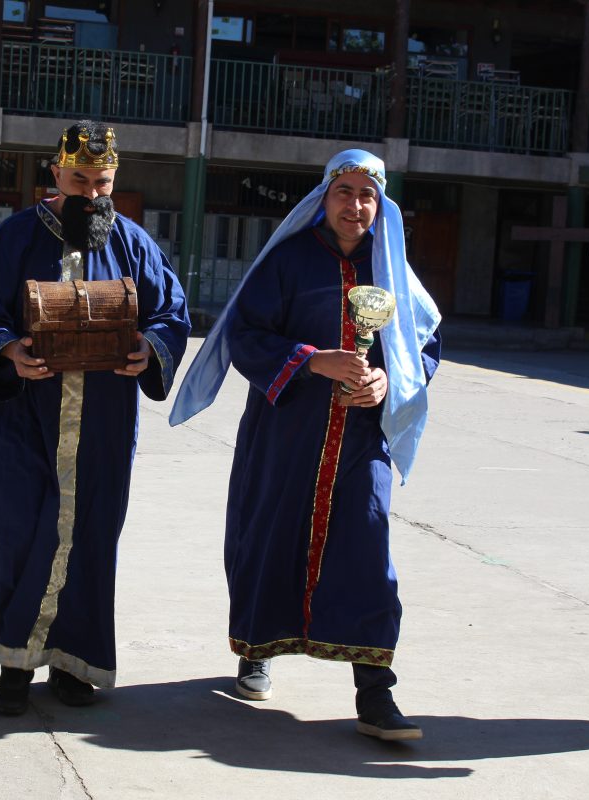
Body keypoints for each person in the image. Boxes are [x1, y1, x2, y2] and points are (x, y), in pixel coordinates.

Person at [169, 149, 441, 741]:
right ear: (324, 196)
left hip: (362, 439)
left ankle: (375, 689)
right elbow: (247, 335)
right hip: (287, 432)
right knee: (269, 538)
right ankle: (257, 649)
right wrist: (316, 361)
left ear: (381, 205)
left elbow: (424, 344)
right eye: (345, 191)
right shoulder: (287, 261)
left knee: (367, 547)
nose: (356, 205)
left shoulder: (390, 265)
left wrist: (388, 378)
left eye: (368, 195)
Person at [0, 120, 190, 715]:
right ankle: (16, 662)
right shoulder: (15, 238)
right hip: (25, 421)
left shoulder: (135, 244)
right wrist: (8, 351)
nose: (91, 194)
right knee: (26, 532)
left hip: (102, 426)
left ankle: (73, 664)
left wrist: (153, 348)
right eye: (79, 181)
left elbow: (171, 313)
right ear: (55, 174)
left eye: (103, 183)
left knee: (92, 537)